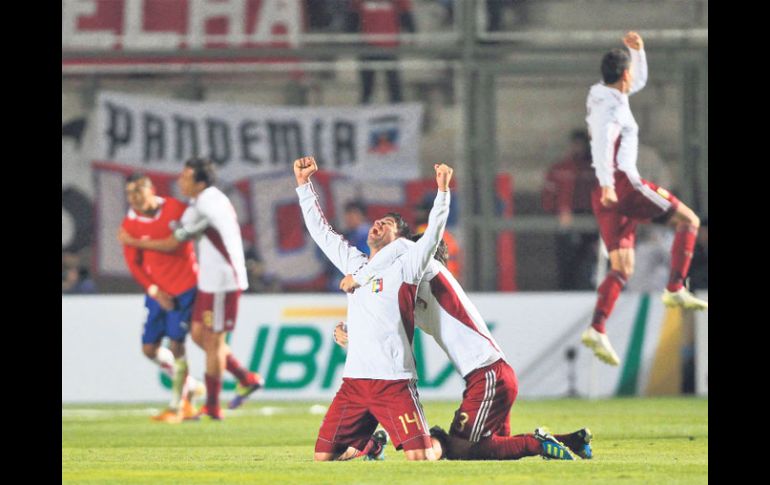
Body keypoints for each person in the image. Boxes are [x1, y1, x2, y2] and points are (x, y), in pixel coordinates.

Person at [335, 234, 591, 461]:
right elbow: (384, 313)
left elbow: (386, 308)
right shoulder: (427, 289)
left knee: (461, 449)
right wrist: (352, 330)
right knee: (491, 449)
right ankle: (571, 441)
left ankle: (538, 444)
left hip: (487, 375)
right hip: (493, 373)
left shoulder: (429, 270)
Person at [294, 155, 450, 461]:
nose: (377, 224)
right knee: (324, 457)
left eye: (387, 224)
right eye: (377, 221)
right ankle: (372, 445)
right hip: (354, 381)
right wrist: (303, 185)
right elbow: (321, 232)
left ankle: (444, 441)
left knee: (421, 457)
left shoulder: (407, 266)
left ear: (400, 238)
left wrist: (442, 192)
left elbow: (432, 236)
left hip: (393, 381)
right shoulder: (356, 264)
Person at [582, 31, 707, 366]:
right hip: (623, 184)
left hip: (603, 190)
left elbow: (638, 83)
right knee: (689, 220)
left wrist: (638, 53)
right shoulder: (611, 109)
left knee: (623, 266)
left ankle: (597, 327)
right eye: (631, 71)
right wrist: (610, 183)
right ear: (624, 75)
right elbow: (603, 144)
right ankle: (676, 288)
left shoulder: (601, 95)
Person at [119, 159, 263, 419]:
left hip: (222, 281)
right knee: (199, 336)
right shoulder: (203, 201)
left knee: (212, 342)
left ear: (199, 182)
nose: (179, 181)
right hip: (208, 281)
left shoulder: (204, 205)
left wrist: (135, 241)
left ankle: (211, 406)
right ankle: (245, 377)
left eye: (185, 177)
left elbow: (173, 243)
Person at [118, 173, 203, 423]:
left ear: (150, 189)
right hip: (157, 292)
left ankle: (181, 405)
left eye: (138, 191)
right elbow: (135, 265)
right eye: (129, 193)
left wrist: (136, 241)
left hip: (185, 288)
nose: (134, 198)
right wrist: (154, 291)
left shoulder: (175, 209)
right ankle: (191, 385)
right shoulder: (130, 224)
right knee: (149, 349)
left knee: (177, 345)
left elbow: (174, 245)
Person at [541, 129, 597, 290]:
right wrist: (559, 211)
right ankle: (566, 292)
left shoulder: (594, 170)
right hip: (565, 221)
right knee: (567, 261)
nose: (578, 149)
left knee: (590, 263)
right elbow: (548, 196)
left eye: (581, 145)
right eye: (575, 145)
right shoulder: (560, 169)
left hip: (591, 222)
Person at [347, 0, 416, 104]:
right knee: (367, 87)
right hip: (367, 45)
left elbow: (406, 14)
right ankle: (366, 110)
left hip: (389, 44)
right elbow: (353, 17)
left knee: (394, 85)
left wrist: (412, 34)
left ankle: (397, 111)